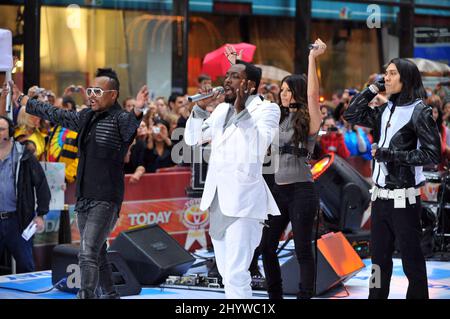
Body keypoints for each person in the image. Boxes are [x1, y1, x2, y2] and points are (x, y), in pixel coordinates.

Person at [17, 68, 149, 299]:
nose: (91, 95)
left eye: (98, 91)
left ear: (113, 95)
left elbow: (131, 127)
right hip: (84, 196)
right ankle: (109, 295)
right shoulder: (86, 116)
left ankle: (86, 295)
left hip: (106, 198)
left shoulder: (121, 120)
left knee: (86, 253)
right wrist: (25, 101)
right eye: (90, 90)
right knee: (97, 252)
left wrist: (138, 109)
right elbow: (56, 113)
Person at [344, 58, 441, 299]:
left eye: (392, 74)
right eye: (385, 74)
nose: (386, 78)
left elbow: (433, 153)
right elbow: (351, 113)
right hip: (380, 199)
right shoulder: (384, 110)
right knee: (378, 263)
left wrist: (392, 155)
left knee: (412, 263)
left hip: (404, 201)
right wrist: (373, 88)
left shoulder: (420, 111)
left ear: (405, 78)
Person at [184, 59, 280, 299]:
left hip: (245, 202)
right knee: (227, 275)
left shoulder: (268, 109)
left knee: (237, 274)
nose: (226, 80)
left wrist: (241, 111)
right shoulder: (220, 110)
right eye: (226, 76)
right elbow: (193, 140)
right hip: (217, 201)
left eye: (234, 76)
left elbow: (259, 147)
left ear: (251, 84)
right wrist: (199, 110)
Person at [259, 39, 326, 300]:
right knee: (266, 248)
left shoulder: (309, 119)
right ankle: (274, 297)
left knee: (302, 250)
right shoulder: (279, 116)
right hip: (278, 191)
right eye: (282, 90)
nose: (283, 94)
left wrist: (312, 58)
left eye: (287, 91)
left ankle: (303, 297)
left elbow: (312, 95)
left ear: (296, 92)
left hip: (301, 191)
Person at [0, 112, 51, 274]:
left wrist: (41, 214)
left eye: (1, 129)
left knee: (26, 266)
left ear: (10, 132)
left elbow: (42, 185)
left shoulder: (25, 156)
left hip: (18, 220)